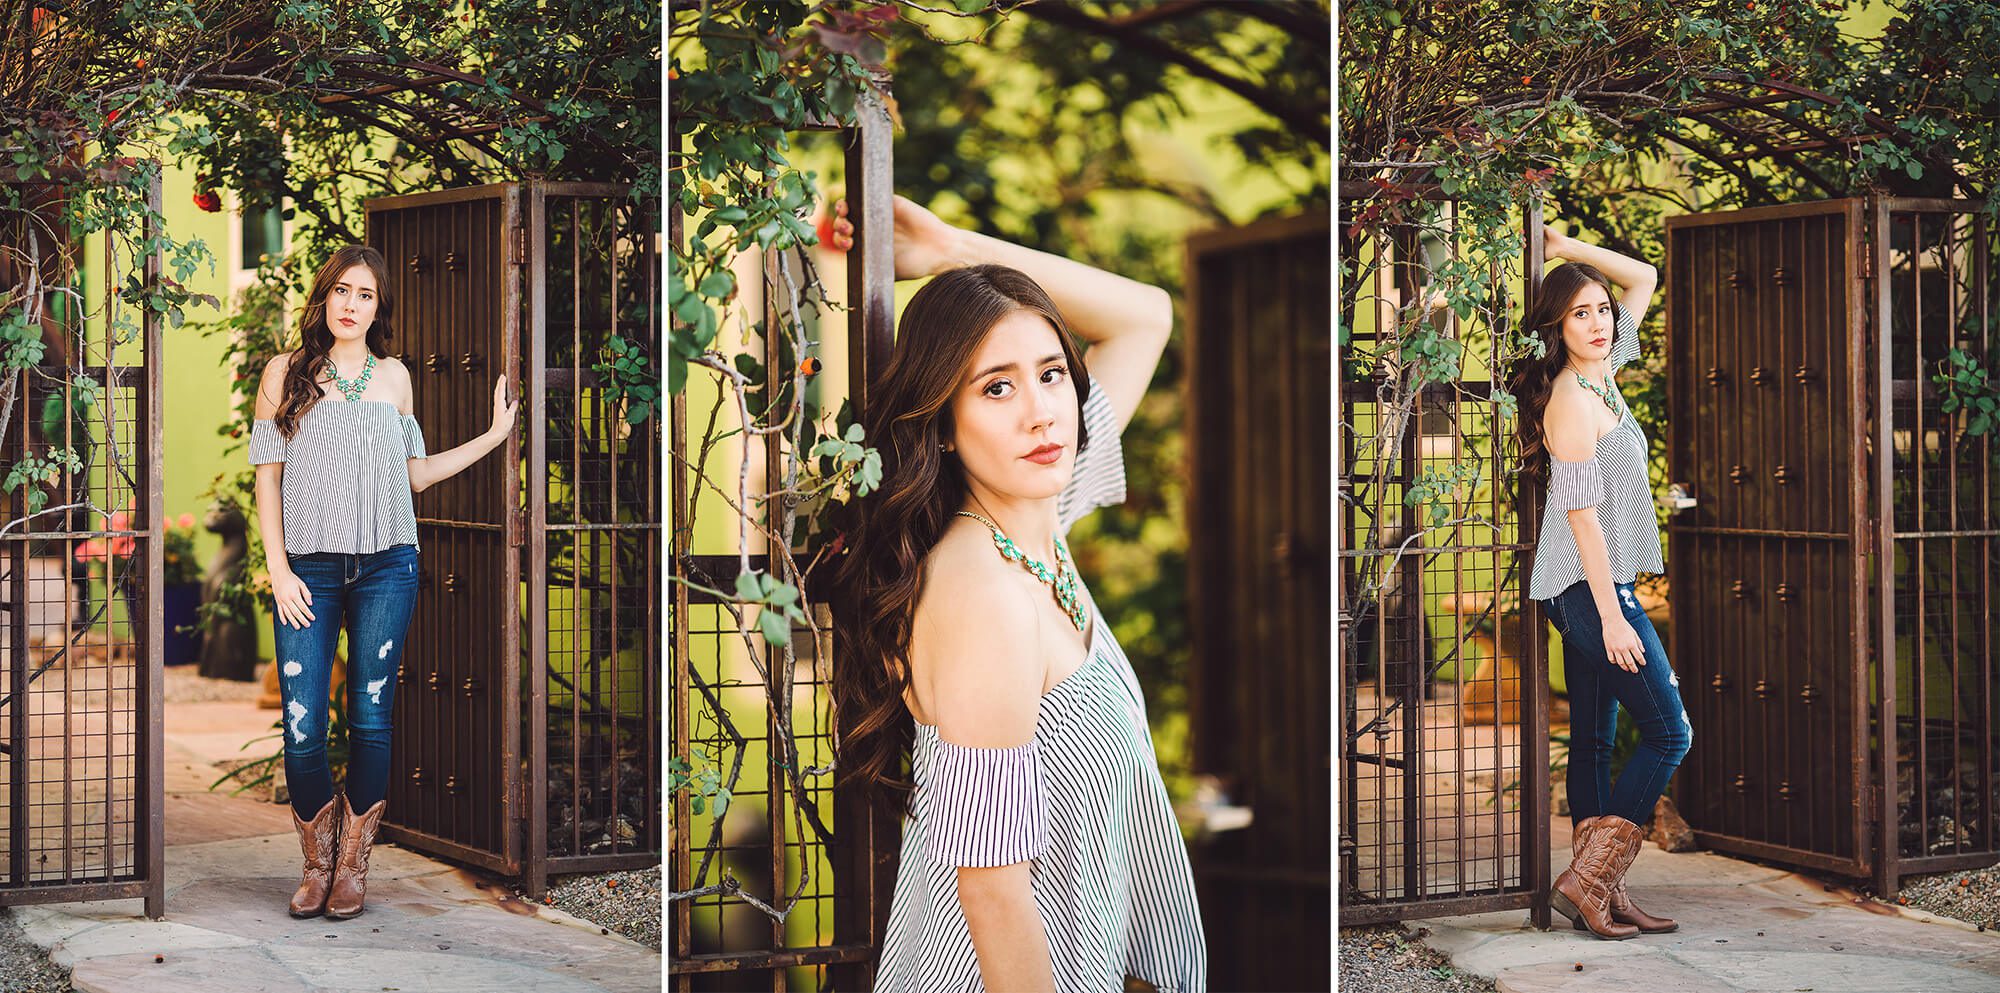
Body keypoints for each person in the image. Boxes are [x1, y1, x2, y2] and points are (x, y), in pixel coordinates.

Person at [825, 196, 1206, 991]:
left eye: (1052, 373)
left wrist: (948, 250)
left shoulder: (1037, 525)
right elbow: (991, 887)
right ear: (944, 424)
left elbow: (1147, 315)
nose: (1041, 412)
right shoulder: (985, 595)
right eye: (995, 388)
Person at [250, 244, 517, 920]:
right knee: (304, 726)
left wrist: (493, 433)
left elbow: (416, 474)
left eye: (365, 294)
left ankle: (351, 866)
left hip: (386, 567)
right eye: (342, 290)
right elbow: (267, 476)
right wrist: (278, 568)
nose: (351, 304)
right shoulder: (284, 373)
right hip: (307, 569)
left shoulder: (394, 377)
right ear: (324, 298)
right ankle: (315, 861)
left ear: (379, 307)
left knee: (371, 719)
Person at [1515, 224, 1689, 940]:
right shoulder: (1571, 401)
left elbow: (1644, 276)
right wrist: (1615, 615)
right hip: (1587, 587)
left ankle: (1599, 891)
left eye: (1601, 311)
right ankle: (1589, 879)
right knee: (1669, 732)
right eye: (1580, 312)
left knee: (1591, 736)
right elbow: (1583, 519)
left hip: (1590, 584)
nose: (1598, 321)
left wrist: (1563, 247)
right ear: (1557, 325)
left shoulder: (1604, 372)